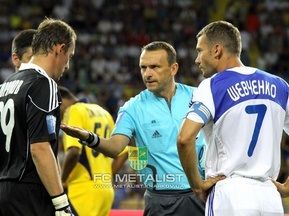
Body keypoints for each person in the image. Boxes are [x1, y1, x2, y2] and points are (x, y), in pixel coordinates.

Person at [60, 41, 211, 215]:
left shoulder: (199, 96)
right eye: (143, 67)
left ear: (173, 68)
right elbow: (115, 148)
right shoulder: (132, 107)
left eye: (154, 67)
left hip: (200, 195)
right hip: (159, 202)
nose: (147, 74)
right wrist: (88, 137)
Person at [177, 20, 289, 216]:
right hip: (270, 198)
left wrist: (197, 185)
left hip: (231, 193)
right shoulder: (280, 86)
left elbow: (184, 139)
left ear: (217, 50)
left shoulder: (212, 86)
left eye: (200, 51)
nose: (196, 59)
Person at [0, 18, 77, 216]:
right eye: (69, 56)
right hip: (30, 190)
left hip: (5, 188)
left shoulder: (7, 84)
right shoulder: (44, 84)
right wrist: (61, 204)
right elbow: (40, 148)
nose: (67, 65)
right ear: (59, 49)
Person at [58, 86, 127, 216]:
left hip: (82, 192)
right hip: (105, 191)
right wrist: (108, 175)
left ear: (60, 102)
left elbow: (73, 152)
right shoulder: (103, 112)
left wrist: (61, 181)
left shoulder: (73, 111)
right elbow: (123, 153)